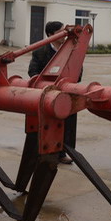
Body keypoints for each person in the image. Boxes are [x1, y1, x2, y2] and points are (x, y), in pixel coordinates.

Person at [28, 21, 78, 165]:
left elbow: (78, 70)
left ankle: (63, 153)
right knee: (47, 125)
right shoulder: (40, 52)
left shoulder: (71, 49)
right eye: (60, 32)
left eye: (64, 31)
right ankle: (44, 153)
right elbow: (33, 71)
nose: (64, 34)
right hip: (47, 96)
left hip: (66, 94)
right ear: (51, 35)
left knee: (67, 126)